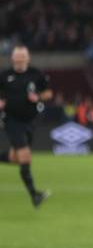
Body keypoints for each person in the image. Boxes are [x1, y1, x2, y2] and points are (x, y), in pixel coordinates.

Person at [0, 45, 53, 207]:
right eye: (17, 56)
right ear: (13, 58)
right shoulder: (4, 75)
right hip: (11, 121)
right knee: (25, 156)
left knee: (16, 159)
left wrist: (38, 97)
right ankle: (35, 195)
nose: (20, 58)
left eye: (23, 56)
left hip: (30, 123)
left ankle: (35, 195)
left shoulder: (35, 74)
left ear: (28, 58)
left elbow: (48, 93)